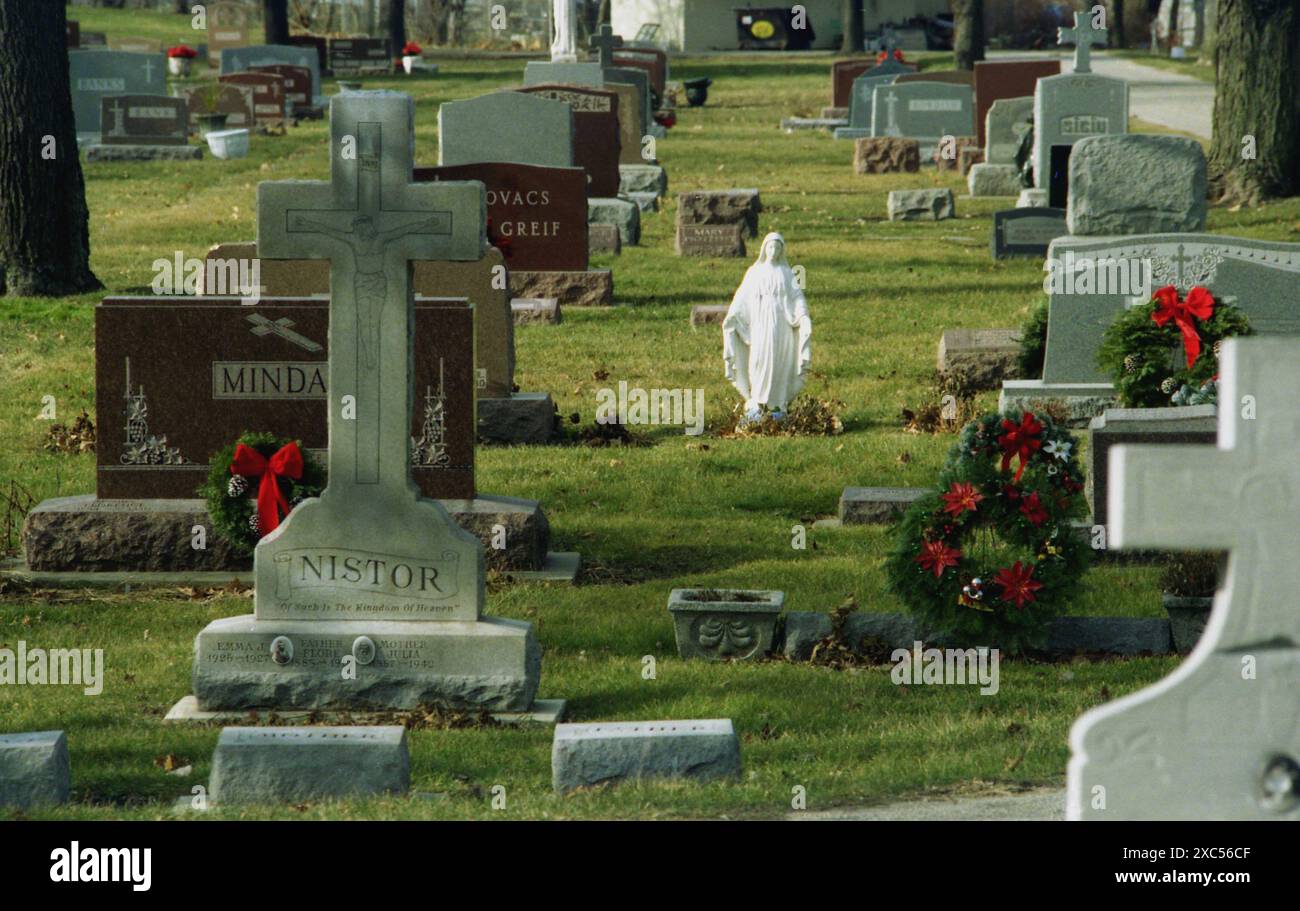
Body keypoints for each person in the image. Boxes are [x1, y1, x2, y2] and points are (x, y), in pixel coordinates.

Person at [722, 232, 812, 421]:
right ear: (764, 249)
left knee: (779, 361)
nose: (773, 251)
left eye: (777, 248)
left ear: (781, 251)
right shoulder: (754, 272)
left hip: (781, 324)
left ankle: (777, 404)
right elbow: (742, 296)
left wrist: (803, 316)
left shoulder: (787, 273)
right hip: (760, 323)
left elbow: (797, 297)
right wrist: (732, 315)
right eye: (770, 247)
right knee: (759, 360)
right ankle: (757, 402)